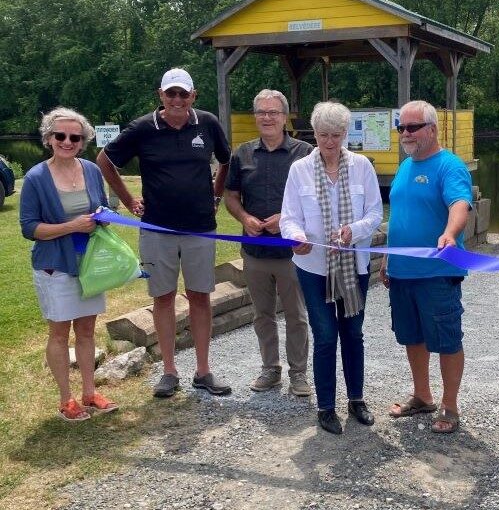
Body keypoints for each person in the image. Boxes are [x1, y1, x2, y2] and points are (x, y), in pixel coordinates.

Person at [96, 68, 232, 398]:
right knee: (164, 297)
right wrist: (128, 200)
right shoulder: (143, 128)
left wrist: (216, 196)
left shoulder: (208, 123)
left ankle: (203, 371)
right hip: (157, 228)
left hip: (201, 227)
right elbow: (103, 159)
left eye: (183, 94)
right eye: (170, 94)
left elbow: (227, 162)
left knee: (200, 296)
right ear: (161, 95)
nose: (176, 100)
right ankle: (170, 371)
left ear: (193, 96)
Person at [280, 101, 383, 435]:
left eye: (336, 135)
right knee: (325, 335)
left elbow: (375, 213)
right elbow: (289, 217)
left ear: (344, 134)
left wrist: (355, 230)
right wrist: (296, 236)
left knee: (353, 333)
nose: (329, 142)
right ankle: (325, 407)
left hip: (354, 264)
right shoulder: (299, 170)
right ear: (315, 133)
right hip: (313, 266)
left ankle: (356, 400)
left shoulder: (363, 166)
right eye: (323, 135)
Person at [20, 107, 119, 421]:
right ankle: (67, 400)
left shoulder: (91, 169)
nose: (67, 141)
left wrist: (101, 216)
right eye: (60, 135)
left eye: (75, 137)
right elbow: (29, 228)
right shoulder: (36, 177)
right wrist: (71, 226)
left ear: (83, 141)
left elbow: (99, 204)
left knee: (87, 330)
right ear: (49, 138)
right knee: (60, 334)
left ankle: (90, 393)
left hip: (88, 264)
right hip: (55, 266)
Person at [382, 100, 472, 434]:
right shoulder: (405, 166)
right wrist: (389, 258)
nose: (405, 133)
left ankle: (450, 405)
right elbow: (401, 217)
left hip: (436, 272)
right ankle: (423, 395)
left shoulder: (449, 165)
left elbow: (460, 204)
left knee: (446, 338)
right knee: (412, 336)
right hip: (402, 272)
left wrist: (449, 233)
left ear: (431, 129)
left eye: (412, 127)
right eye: (401, 127)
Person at [224, 90, 313, 396]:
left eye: (273, 112)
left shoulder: (305, 153)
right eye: (261, 112)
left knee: (297, 316)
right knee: (262, 314)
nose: (267, 118)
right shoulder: (242, 154)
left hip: (292, 252)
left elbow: (313, 199)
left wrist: (286, 217)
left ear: (285, 116)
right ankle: (270, 369)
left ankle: (299, 373)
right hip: (255, 250)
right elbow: (231, 196)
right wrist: (244, 217)